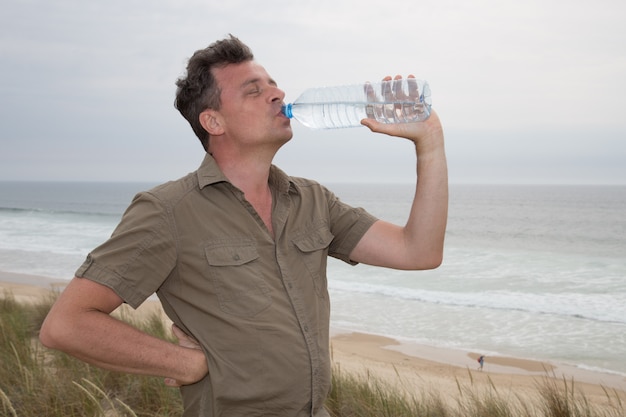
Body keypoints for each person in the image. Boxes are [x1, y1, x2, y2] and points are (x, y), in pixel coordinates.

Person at [39, 35, 448, 417]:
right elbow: (67, 324)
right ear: (214, 122)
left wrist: (429, 143)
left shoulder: (313, 200)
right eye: (254, 91)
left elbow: (419, 252)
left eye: (273, 84)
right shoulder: (167, 211)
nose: (278, 94)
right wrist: (182, 362)